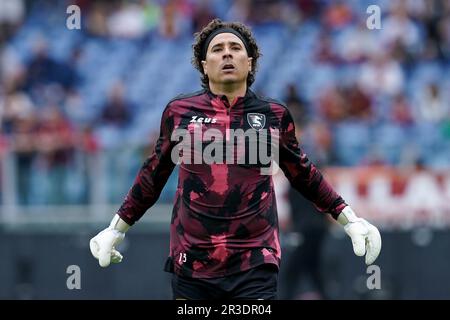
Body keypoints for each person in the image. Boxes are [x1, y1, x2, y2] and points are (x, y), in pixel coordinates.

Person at [89, 18, 382, 300]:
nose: (227, 53)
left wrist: (349, 218)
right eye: (217, 49)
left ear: (250, 61)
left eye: (235, 48)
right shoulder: (180, 112)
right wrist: (117, 227)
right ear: (204, 65)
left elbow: (303, 174)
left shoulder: (273, 116)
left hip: (255, 261)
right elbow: (153, 175)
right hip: (192, 261)